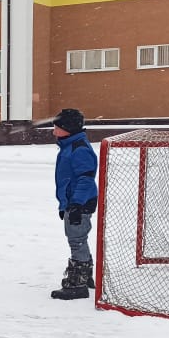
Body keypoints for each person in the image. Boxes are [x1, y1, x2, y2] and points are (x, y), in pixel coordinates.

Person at [50, 108, 98, 300]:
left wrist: (76, 204)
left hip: (80, 202)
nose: (54, 130)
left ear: (68, 128)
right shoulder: (70, 146)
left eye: (57, 127)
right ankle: (85, 276)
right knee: (79, 238)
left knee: (76, 240)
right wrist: (65, 205)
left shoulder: (79, 149)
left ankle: (78, 284)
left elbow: (85, 179)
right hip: (74, 201)